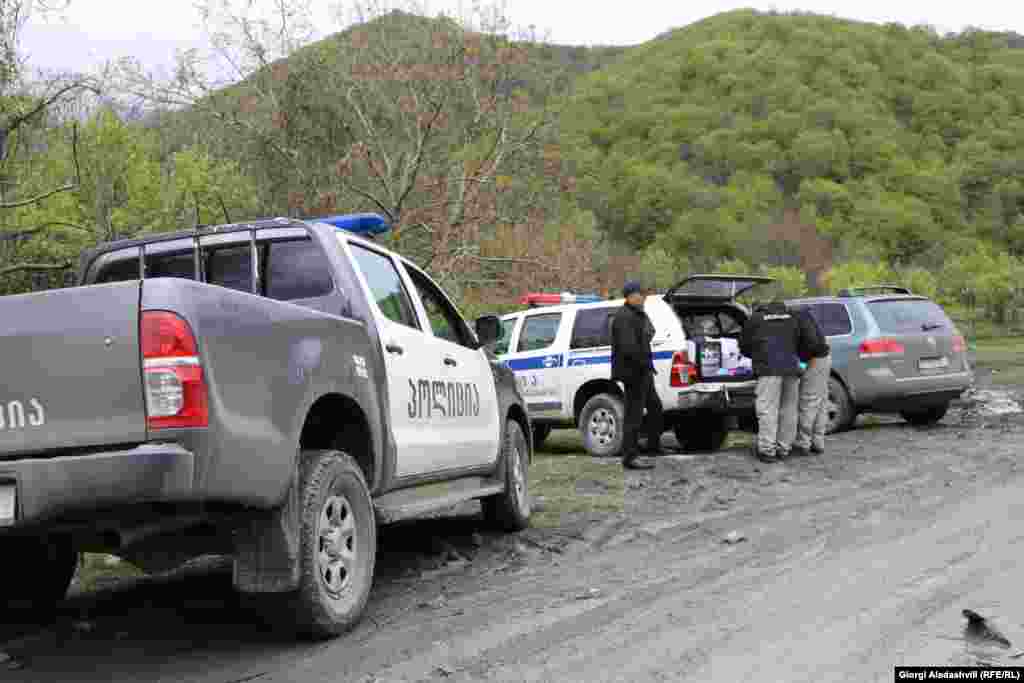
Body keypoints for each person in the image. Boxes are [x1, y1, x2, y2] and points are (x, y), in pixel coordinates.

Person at [738, 299, 803, 462]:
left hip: (768, 369)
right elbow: (799, 341)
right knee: (789, 409)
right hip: (791, 368)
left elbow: (744, 344)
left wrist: (756, 356)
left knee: (767, 409)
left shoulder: (756, 319)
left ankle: (767, 450)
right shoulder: (792, 317)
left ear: (759, 308)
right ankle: (784, 448)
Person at [610, 279, 663, 470]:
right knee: (634, 414)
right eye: (641, 294)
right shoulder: (624, 317)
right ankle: (630, 456)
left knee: (655, 407)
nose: (645, 297)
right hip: (633, 372)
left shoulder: (638, 314)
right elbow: (628, 348)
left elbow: (648, 333)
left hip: (644, 370)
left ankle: (652, 446)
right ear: (631, 296)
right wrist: (643, 364)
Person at [791, 308, 831, 457]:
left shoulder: (793, 318)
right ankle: (818, 442)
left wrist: (802, 363)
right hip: (824, 357)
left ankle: (803, 443)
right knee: (820, 402)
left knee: (807, 401)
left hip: (813, 360)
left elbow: (810, 345)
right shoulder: (802, 315)